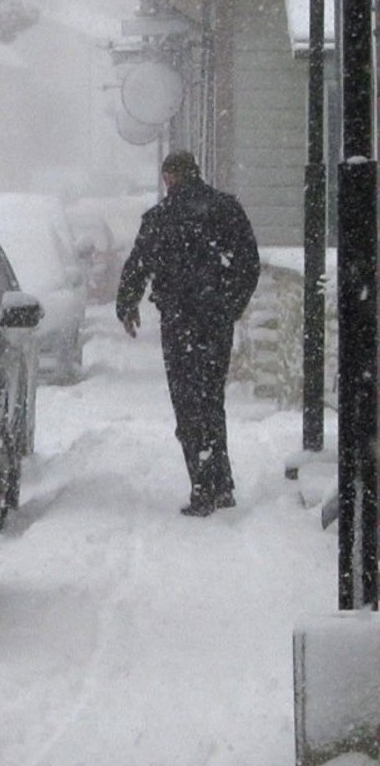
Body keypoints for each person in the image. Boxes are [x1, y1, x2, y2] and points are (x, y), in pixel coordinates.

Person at [116, 151, 261, 516]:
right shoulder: (226, 210)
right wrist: (231, 305)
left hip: (179, 322)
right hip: (215, 320)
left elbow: (138, 264)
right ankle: (221, 484)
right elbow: (249, 263)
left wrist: (128, 305)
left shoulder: (161, 218)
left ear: (169, 177)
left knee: (187, 403)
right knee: (211, 398)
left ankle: (202, 485)